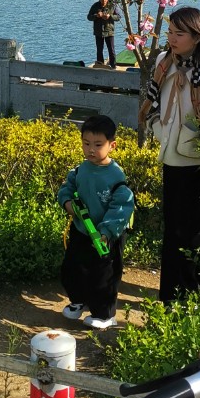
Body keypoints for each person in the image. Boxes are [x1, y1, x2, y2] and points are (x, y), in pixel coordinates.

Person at [139, 6, 200, 304]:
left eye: (179, 34)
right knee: (174, 232)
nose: (171, 38)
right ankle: (172, 298)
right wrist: (157, 129)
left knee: (189, 232)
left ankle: (188, 293)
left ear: (197, 37)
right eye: (170, 32)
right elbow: (153, 104)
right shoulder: (164, 62)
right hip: (172, 160)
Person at [57, 113, 134, 330]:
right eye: (86, 143)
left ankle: (104, 314)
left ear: (112, 145)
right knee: (73, 267)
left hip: (107, 235)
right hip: (82, 230)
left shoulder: (116, 176)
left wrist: (106, 232)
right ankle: (78, 300)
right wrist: (67, 203)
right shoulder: (80, 170)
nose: (91, 149)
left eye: (98, 144)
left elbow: (122, 207)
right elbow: (67, 188)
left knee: (104, 275)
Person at [87, 0, 120, 68]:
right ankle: (100, 65)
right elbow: (89, 17)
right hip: (98, 32)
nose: (103, 0)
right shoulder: (95, 6)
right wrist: (96, 16)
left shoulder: (112, 5)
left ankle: (113, 66)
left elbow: (118, 17)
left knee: (111, 50)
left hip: (109, 31)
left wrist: (110, 16)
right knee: (99, 50)